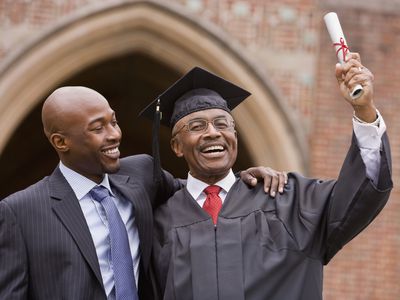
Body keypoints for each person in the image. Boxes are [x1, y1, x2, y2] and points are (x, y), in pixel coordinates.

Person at [0, 86, 286, 300]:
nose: (114, 135)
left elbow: (195, 191)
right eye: (97, 128)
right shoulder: (20, 211)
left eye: (113, 121)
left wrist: (240, 179)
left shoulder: (141, 175)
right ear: (61, 142)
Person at [145, 55, 393, 300]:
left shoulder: (290, 201)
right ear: (177, 146)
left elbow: (362, 192)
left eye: (222, 124)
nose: (213, 133)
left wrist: (364, 110)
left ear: (235, 135)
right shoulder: (159, 223)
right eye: (197, 126)